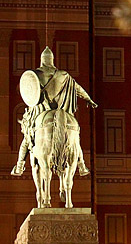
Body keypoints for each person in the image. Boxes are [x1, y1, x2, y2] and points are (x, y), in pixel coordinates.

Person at [11, 46, 98, 176]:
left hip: (40, 113)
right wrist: (89, 99)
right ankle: (82, 164)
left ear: (42, 60)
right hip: (62, 111)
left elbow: (28, 91)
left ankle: (19, 165)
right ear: (52, 60)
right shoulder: (64, 75)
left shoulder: (35, 75)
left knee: (26, 138)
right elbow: (78, 89)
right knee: (75, 138)